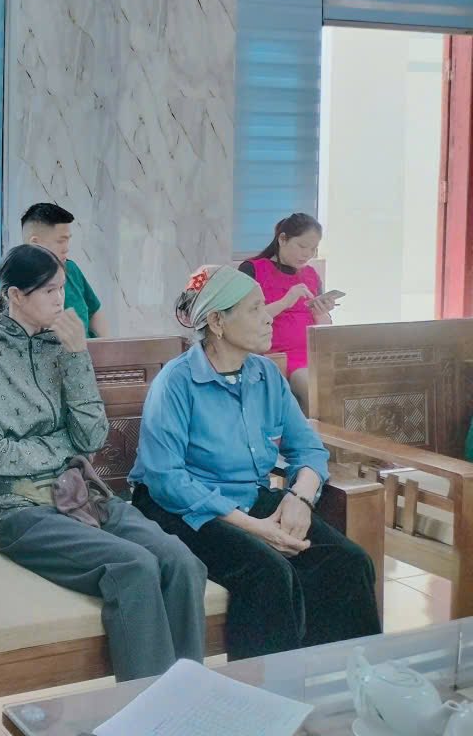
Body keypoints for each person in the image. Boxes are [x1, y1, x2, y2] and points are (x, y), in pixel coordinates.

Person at [0, 244, 206, 682]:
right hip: (23, 511)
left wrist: (77, 356)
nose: (62, 300)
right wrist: (64, 448)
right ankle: (145, 709)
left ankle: (187, 695)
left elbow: (92, 437)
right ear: (15, 295)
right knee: (134, 566)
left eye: (62, 289)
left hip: (84, 496)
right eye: (49, 291)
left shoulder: (65, 349)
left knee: (181, 562)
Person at [130, 265, 380, 660]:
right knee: (268, 572)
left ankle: (339, 681)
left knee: (349, 563)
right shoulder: (176, 383)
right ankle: (263, 691)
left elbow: (308, 449)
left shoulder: (265, 375)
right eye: (254, 309)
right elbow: (166, 480)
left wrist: (299, 498)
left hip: (249, 497)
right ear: (217, 322)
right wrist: (256, 528)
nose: (269, 317)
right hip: (180, 510)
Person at [238, 213, 338, 412]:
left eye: (313, 249)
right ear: (282, 239)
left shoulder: (311, 275)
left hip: (314, 354)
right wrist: (285, 302)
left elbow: (324, 330)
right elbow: (243, 321)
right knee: (315, 388)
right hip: (278, 356)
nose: (307, 254)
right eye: (302, 246)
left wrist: (321, 313)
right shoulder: (252, 269)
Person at [0, 203, 109, 337]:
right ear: (35, 244)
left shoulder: (71, 269)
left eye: (61, 287)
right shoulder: (2, 286)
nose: (66, 248)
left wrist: (105, 347)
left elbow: (94, 311)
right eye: (60, 241)